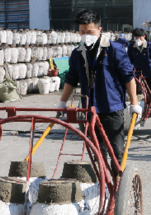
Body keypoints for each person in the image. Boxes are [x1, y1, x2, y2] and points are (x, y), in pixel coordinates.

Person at [58, 9, 142, 176]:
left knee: (116, 151)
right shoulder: (77, 53)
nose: (85, 35)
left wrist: (134, 103)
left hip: (112, 108)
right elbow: (71, 79)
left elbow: (128, 77)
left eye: (90, 32)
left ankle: (118, 186)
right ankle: (101, 184)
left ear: (99, 29)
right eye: (82, 32)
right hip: (89, 109)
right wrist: (62, 102)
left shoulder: (115, 50)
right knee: (97, 151)